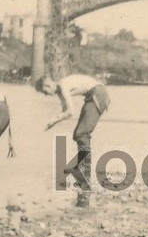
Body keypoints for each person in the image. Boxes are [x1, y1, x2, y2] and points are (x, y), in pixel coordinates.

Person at [36, 70, 111, 207]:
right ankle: (81, 171)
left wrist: (52, 122)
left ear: (47, 85)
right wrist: (53, 121)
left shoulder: (63, 86)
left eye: (45, 92)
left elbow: (70, 111)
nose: (47, 95)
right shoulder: (60, 90)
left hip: (97, 94)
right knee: (78, 134)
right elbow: (65, 110)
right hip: (93, 95)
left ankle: (85, 177)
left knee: (82, 134)